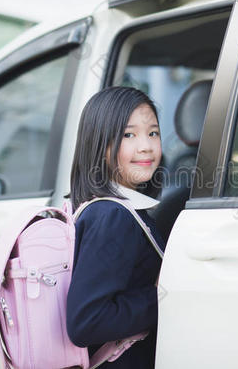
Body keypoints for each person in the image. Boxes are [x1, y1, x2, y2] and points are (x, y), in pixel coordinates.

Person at [66, 86, 166, 369]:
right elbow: (86, 322)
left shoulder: (119, 209)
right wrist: (162, 295)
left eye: (153, 133)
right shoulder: (112, 216)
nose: (145, 145)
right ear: (99, 143)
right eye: (128, 135)